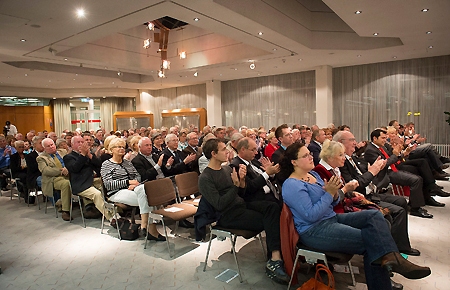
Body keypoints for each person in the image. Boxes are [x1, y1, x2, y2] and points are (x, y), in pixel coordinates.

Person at [279, 142, 431, 290]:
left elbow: (335, 200)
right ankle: (392, 265)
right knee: (371, 242)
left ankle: (392, 258)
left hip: (330, 218)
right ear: (294, 162)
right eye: (305, 155)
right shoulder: (292, 185)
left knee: (375, 216)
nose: (311, 157)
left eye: (310, 153)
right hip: (314, 230)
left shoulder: (312, 175)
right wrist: (330, 193)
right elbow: (311, 215)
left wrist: (333, 194)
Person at [198, 139, 290, 284]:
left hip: (240, 206)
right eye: (223, 149)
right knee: (271, 220)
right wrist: (236, 185)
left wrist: (241, 183)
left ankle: (275, 255)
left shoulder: (227, 169)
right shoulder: (205, 178)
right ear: (213, 154)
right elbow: (219, 204)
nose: (227, 151)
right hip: (228, 215)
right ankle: (275, 258)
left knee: (272, 207)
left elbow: (241, 193)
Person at [100, 137, 164, 241]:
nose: (122, 149)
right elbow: (108, 184)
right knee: (149, 199)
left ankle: (145, 226)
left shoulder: (127, 163)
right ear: (112, 150)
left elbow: (137, 176)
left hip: (134, 189)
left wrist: (134, 184)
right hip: (116, 192)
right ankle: (150, 228)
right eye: (118, 147)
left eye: (123, 147)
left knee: (145, 191)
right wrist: (127, 182)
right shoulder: (106, 164)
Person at [36, 138, 72, 221]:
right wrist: (61, 171)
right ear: (44, 148)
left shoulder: (63, 152)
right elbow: (45, 170)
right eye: (48, 146)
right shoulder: (41, 158)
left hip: (68, 174)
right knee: (66, 184)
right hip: (53, 179)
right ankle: (65, 211)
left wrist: (67, 168)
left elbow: (71, 160)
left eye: (52, 145)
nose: (51, 147)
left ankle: (88, 206)